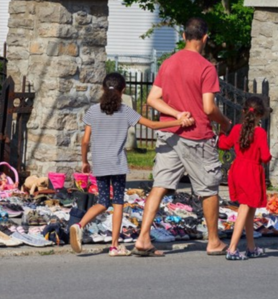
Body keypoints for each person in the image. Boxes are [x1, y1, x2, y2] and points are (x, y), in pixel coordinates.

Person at [132, 17, 231, 257]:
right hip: (197, 136)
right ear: (205, 38)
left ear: (184, 36)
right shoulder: (206, 67)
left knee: (160, 185)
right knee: (208, 188)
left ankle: (143, 237)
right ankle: (214, 241)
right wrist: (225, 122)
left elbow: (153, 99)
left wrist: (176, 114)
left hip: (169, 133)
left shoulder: (168, 63)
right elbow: (208, 108)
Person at [69, 72, 193, 256]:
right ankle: (114, 246)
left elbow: (85, 140)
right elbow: (151, 125)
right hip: (117, 164)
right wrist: (178, 122)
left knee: (102, 201)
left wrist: (85, 161)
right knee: (118, 202)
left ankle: (79, 225)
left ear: (103, 88)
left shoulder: (93, 111)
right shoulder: (125, 111)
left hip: (100, 163)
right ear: (123, 90)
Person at [217, 96, 271, 260]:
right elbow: (265, 156)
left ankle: (251, 246)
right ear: (261, 115)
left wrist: (220, 132)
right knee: (245, 207)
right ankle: (232, 248)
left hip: (238, 168)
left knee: (249, 209)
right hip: (252, 172)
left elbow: (223, 144)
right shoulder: (260, 132)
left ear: (243, 111)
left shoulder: (237, 129)